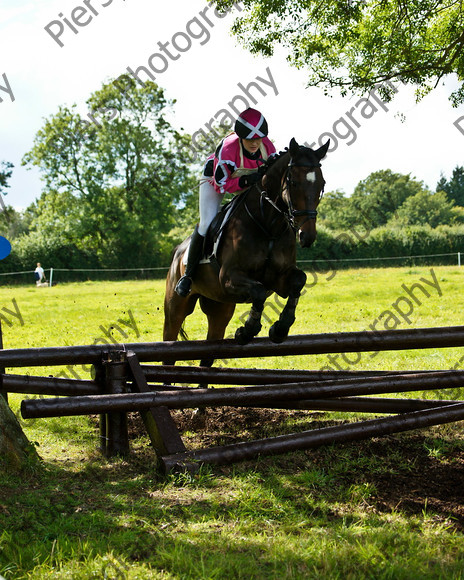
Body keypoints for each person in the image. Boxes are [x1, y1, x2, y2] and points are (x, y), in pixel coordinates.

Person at [175, 108, 277, 297]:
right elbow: (223, 186)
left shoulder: (268, 147)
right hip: (215, 181)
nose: (255, 143)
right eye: (249, 139)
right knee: (207, 222)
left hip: (249, 183)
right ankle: (188, 276)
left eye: (258, 138)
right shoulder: (228, 149)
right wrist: (247, 181)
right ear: (240, 137)